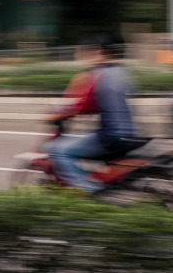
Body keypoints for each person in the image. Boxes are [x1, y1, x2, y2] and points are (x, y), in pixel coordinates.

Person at [49, 34, 140, 193]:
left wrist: (60, 114)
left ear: (98, 51)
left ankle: (88, 191)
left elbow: (84, 105)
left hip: (111, 137)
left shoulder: (98, 74)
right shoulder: (122, 72)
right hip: (132, 134)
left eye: (85, 53)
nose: (83, 57)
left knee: (59, 150)